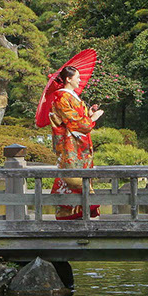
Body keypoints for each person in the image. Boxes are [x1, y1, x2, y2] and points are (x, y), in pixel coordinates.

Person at [49, 65, 104, 220]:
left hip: (79, 144)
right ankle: (75, 212)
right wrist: (91, 119)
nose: (80, 80)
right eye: (77, 77)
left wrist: (88, 113)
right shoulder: (62, 97)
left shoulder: (71, 96)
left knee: (82, 176)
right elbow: (73, 122)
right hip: (70, 145)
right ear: (68, 79)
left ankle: (82, 213)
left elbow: (79, 118)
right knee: (73, 178)